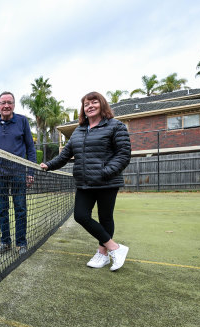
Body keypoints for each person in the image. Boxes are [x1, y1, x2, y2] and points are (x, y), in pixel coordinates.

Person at [40, 91, 131, 271]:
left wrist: (105, 172)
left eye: (94, 102)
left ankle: (103, 254)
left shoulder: (116, 126)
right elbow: (65, 155)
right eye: (86, 104)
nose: (89, 106)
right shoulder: (78, 131)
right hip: (84, 183)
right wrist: (48, 165)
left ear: (102, 104)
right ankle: (115, 248)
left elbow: (123, 155)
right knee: (81, 216)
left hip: (107, 182)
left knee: (105, 218)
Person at [0, 91, 37, 256]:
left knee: (20, 208)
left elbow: (30, 148)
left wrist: (31, 172)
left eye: (9, 102)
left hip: (19, 173)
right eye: (3, 103)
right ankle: (5, 242)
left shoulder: (22, 121)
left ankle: (21, 244)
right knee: (2, 210)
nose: (6, 105)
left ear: (14, 105)